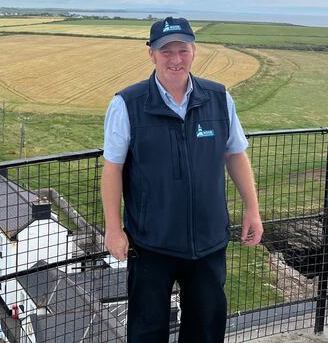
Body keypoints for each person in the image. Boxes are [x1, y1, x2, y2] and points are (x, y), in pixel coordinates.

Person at [101, 17, 263, 343]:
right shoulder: (127, 104)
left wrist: (252, 209)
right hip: (150, 244)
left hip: (208, 244)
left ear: (194, 51)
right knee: (147, 332)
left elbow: (236, 155)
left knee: (205, 330)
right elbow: (112, 169)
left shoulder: (218, 98)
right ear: (151, 54)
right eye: (166, 51)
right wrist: (114, 229)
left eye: (182, 50)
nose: (175, 59)